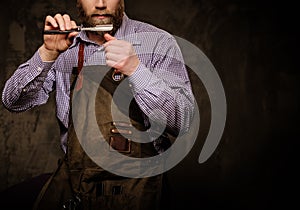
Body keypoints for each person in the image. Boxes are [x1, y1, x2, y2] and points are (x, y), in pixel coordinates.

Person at [2, 0, 195, 209]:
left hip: (139, 188)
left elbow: (182, 121)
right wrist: (47, 54)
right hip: (76, 186)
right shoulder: (64, 47)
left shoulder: (158, 42)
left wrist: (136, 70)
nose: (101, 4)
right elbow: (12, 101)